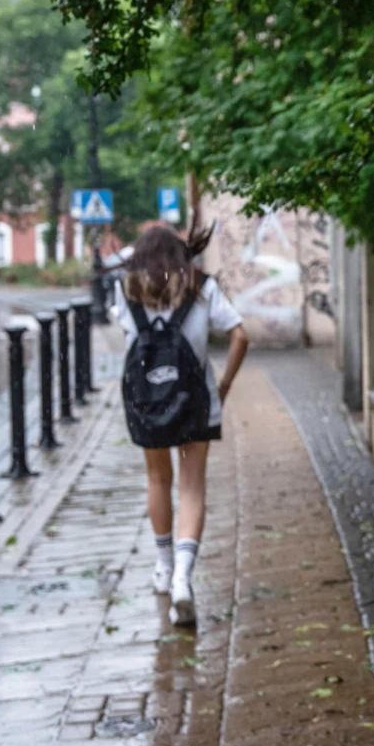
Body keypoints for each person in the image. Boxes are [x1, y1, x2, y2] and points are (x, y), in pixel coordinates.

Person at [113, 225, 248, 626]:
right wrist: (222, 385)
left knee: (158, 480)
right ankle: (183, 580)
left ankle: (163, 565)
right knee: (191, 487)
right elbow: (240, 336)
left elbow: (125, 332)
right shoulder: (202, 288)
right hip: (195, 404)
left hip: (146, 405)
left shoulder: (126, 291)